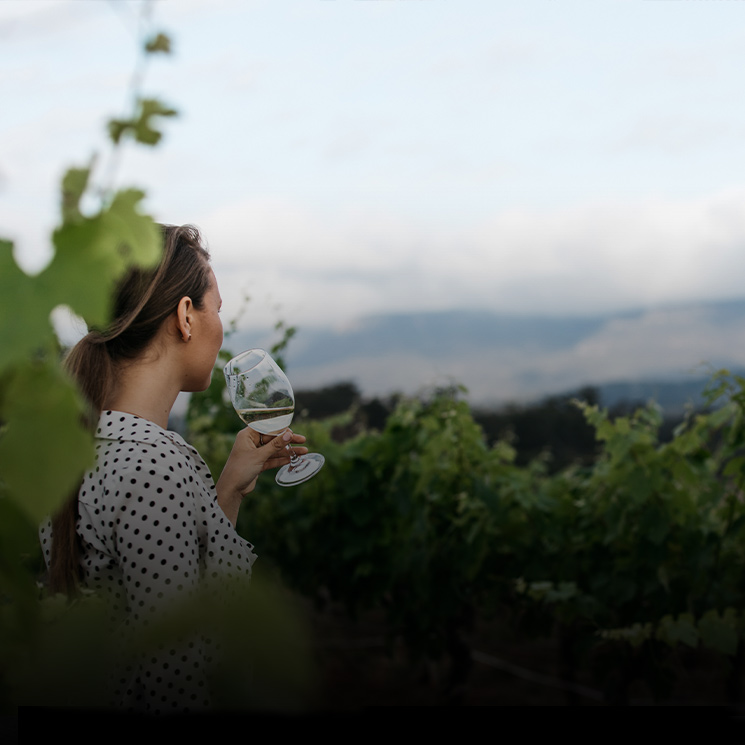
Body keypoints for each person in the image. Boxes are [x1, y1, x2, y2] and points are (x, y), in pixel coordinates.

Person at [39, 223, 308, 714]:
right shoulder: (153, 463)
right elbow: (176, 678)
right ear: (186, 316)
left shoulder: (80, 447)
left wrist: (225, 492)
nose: (221, 326)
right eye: (217, 309)